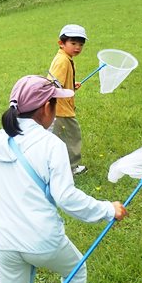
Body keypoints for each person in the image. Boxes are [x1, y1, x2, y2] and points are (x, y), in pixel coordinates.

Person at [0, 75, 127, 283]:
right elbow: (66, 197)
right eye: (55, 103)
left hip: (3, 242)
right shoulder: (52, 145)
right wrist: (109, 210)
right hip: (43, 242)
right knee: (76, 272)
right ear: (45, 108)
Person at [48, 24, 88, 175]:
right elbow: (53, 84)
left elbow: (60, 82)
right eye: (73, 43)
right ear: (61, 43)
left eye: (80, 44)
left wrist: (70, 86)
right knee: (72, 136)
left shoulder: (65, 57)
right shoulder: (63, 61)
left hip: (59, 108)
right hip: (61, 109)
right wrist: (65, 92)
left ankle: (54, 166)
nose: (77, 47)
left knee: (56, 137)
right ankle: (71, 167)